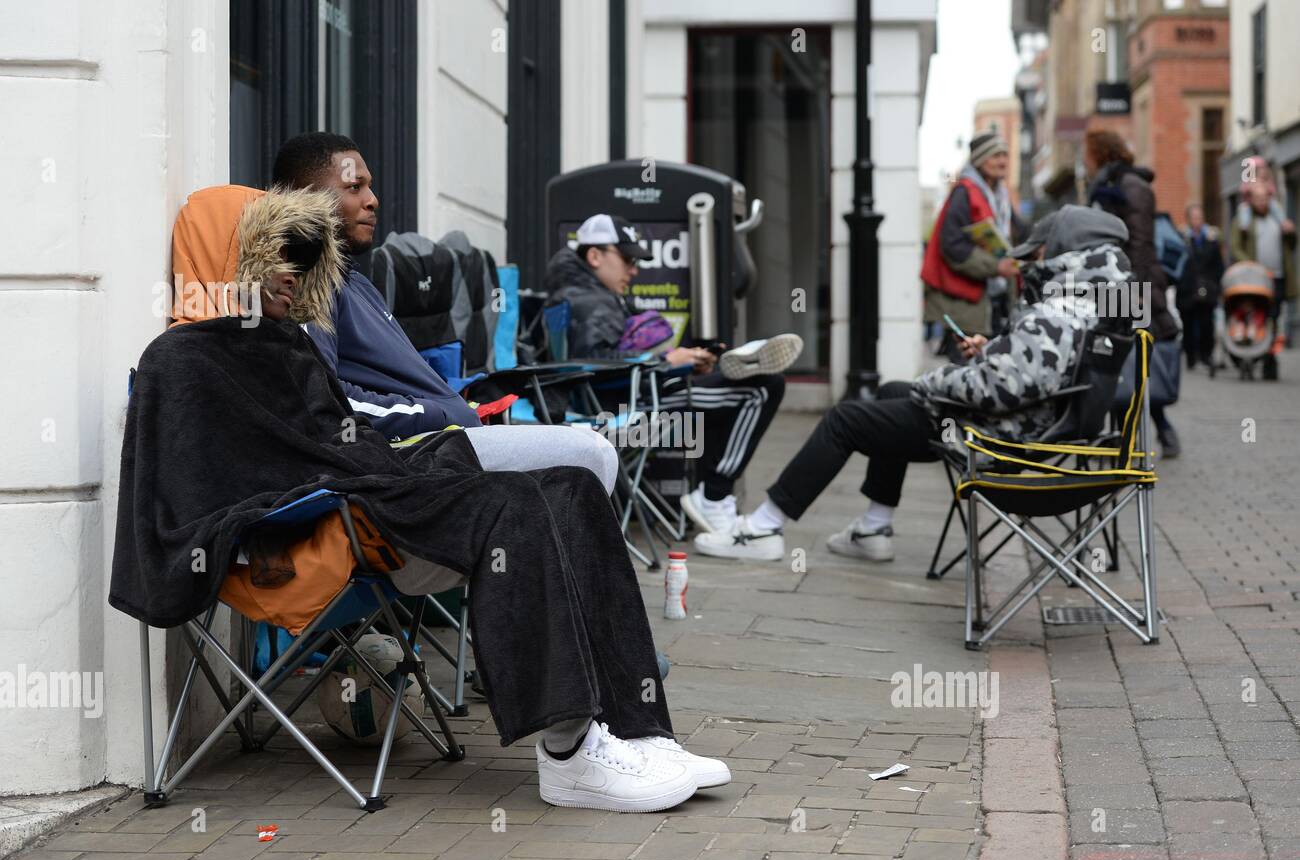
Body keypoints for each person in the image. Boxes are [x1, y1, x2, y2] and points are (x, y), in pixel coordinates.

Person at [113, 184, 731, 812]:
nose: (289, 280)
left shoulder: (292, 345)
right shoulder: (181, 359)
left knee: (572, 489)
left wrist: (403, 461)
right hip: (326, 524)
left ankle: (638, 727)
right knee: (513, 506)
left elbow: (335, 435)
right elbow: (200, 487)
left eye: (301, 265)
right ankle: (570, 756)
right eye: (275, 257)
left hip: (377, 491)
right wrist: (328, 486)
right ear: (230, 258)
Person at [694, 206, 1134, 562]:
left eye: (1035, 255)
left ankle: (762, 529)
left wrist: (936, 381)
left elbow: (1000, 389)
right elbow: (1032, 374)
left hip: (993, 436)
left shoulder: (1057, 312)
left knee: (846, 418)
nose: (1028, 264)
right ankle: (874, 528)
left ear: (1063, 251)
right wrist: (994, 351)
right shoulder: (1096, 305)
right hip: (1035, 428)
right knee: (890, 393)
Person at [269, 132, 618, 493]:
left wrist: (460, 402)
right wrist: (439, 414)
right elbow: (322, 400)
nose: (373, 200)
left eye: (370, 187)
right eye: (355, 187)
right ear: (306, 198)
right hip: (411, 452)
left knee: (583, 458)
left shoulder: (352, 280)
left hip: (445, 435)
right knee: (592, 453)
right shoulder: (305, 279)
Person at [544, 212, 802, 534]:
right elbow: (594, 366)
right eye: (627, 259)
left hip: (634, 392)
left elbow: (596, 362)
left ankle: (714, 494)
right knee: (760, 390)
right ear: (595, 255)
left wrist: (679, 361)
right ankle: (715, 495)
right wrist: (668, 359)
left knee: (740, 386)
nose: (634, 270)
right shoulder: (586, 299)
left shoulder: (587, 293)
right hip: (621, 408)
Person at [1084, 128, 1182, 456]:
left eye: (1088, 153)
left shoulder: (1132, 187)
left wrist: (1135, 289)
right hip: (1112, 284)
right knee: (1116, 358)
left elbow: (1140, 242)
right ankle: (1122, 441)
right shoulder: (1105, 185)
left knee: (1135, 360)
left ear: (1101, 153)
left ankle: (1159, 433)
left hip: (1133, 286)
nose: (1085, 160)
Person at [922, 130, 1024, 360]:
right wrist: (996, 267)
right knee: (965, 375)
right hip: (966, 306)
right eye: (995, 155)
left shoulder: (1001, 196)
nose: (1002, 161)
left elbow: (1020, 233)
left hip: (991, 303)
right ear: (979, 159)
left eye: (1005, 155)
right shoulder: (964, 192)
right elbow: (951, 244)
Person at [1229, 161, 1296, 381]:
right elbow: (1235, 246)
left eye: (1265, 198)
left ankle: (1270, 359)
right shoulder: (1244, 218)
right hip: (1254, 280)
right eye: (1258, 198)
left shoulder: (1278, 218)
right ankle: (1249, 355)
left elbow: (1291, 246)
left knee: (1274, 318)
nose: (1262, 201)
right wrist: (1251, 265)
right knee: (1253, 315)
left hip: (1277, 276)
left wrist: (1291, 232)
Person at [1177, 203, 1225, 371]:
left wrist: (1216, 285)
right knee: (1188, 323)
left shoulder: (1212, 238)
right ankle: (1191, 357)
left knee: (1207, 323)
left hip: (1207, 287)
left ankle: (1206, 356)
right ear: (1189, 219)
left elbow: (1219, 265)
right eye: (1194, 217)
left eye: (1200, 217)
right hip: (1187, 288)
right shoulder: (1182, 238)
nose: (1197, 221)